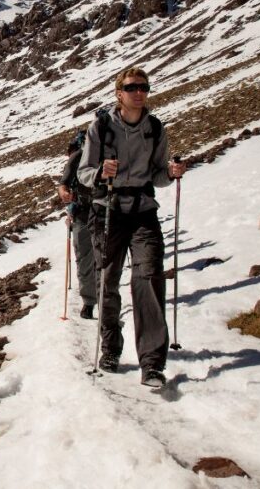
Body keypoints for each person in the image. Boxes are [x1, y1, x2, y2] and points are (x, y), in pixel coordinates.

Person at [77, 67, 186, 387]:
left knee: (149, 276)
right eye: (131, 87)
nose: (139, 92)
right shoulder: (101, 127)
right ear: (118, 93)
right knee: (107, 281)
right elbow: (84, 173)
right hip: (107, 209)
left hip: (142, 210)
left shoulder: (154, 128)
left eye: (144, 87)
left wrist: (172, 171)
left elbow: (157, 175)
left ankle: (152, 362)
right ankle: (110, 347)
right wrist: (101, 171)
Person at [57, 130, 97, 319]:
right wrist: (64, 193)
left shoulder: (112, 151)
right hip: (83, 211)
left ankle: (102, 299)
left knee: (94, 258)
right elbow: (64, 184)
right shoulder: (78, 157)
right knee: (85, 258)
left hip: (102, 211)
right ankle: (89, 301)